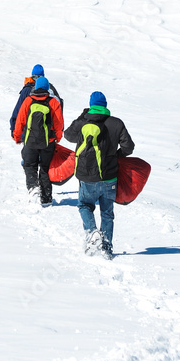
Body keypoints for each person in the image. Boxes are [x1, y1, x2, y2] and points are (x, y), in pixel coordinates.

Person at [64, 91, 134, 257]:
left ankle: (92, 232)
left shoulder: (84, 122)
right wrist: (116, 156)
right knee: (107, 213)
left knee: (84, 205)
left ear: (91, 105)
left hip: (87, 177)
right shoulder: (116, 123)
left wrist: (82, 116)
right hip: (109, 177)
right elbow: (128, 147)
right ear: (105, 105)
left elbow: (67, 135)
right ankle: (106, 249)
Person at [12, 76, 64, 207]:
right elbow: (58, 123)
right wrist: (58, 137)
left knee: (30, 165)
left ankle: (33, 187)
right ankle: (46, 199)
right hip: (48, 141)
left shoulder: (28, 101)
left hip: (30, 140)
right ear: (47, 88)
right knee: (45, 168)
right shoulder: (53, 102)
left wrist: (17, 136)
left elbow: (20, 120)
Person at [10, 64, 62, 137]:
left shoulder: (27, 90)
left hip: (28, 133)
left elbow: (18, 111)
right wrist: (57, 134)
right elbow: (59, 114)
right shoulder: (51, 89)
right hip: (48, 134)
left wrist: (14, 131)